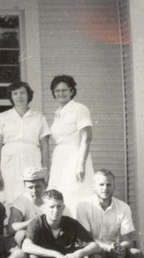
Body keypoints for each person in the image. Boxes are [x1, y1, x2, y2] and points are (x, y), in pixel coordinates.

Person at [76, 170, 144, 258]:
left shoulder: (123, 207)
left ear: (114, 186)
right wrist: (107, 247)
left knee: (136, 254)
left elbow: (128, 240)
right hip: (93, 251)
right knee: (99, 252)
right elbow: (86, 240)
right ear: (94, 186)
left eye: (109, 185)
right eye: (101, 185)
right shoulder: (83, 206)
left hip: (114, 251)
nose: (105, 189)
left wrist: (121, 247)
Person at [0, 81, 50, 205]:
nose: (19, 96)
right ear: (11, 97)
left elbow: (45, 145)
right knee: (8, 195)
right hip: (9, 161)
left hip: (31, 158)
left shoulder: (39, 117)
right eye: (15, 93)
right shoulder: (3, 116)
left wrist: (46, 170)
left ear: (28, 95)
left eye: (22, 93)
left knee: (31, 193)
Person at [48, 75, 95, 215]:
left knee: (75, 193)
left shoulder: (79, 109)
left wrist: (80, 163)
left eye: (64, 90)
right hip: (60, 158)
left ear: (71, 91)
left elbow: (86, 137)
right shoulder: (58, 113)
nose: (60, 94)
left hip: (75, 156)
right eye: (57, 91)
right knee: (60, 193)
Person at [7, 167, 48, 246]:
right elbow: (11, 228)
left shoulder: (51, 198)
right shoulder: (22, 200)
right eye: (30, 187)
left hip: (50, 236)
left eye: (37, 186)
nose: (34, 191)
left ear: (45, 185)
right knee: (20, 234)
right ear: (24, 186)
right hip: (31, 239)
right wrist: (34, 221)